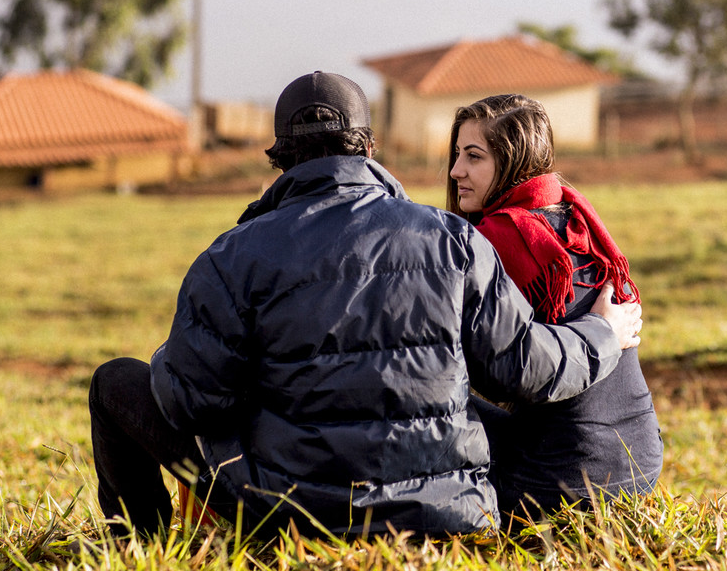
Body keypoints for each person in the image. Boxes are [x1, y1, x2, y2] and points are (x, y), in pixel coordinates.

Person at [87, 71, 643, 540]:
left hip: (289, 517)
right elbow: (531, 368)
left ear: (280, 160)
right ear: (369, 148)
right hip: (447, 519)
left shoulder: (229, 258)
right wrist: (602, 331)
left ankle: (149, 546)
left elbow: (191, 405)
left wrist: (170, 358)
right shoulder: (453, 239)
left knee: (114, 383)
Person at [446, 94, 663, 522]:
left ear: (513, 162)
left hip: (563, 474)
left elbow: (505, 373)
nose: (456, 172)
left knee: (424, 398)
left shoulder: (496, 239)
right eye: (457, 155)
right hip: (640, 463)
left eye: (474, 156)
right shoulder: (575, 217)